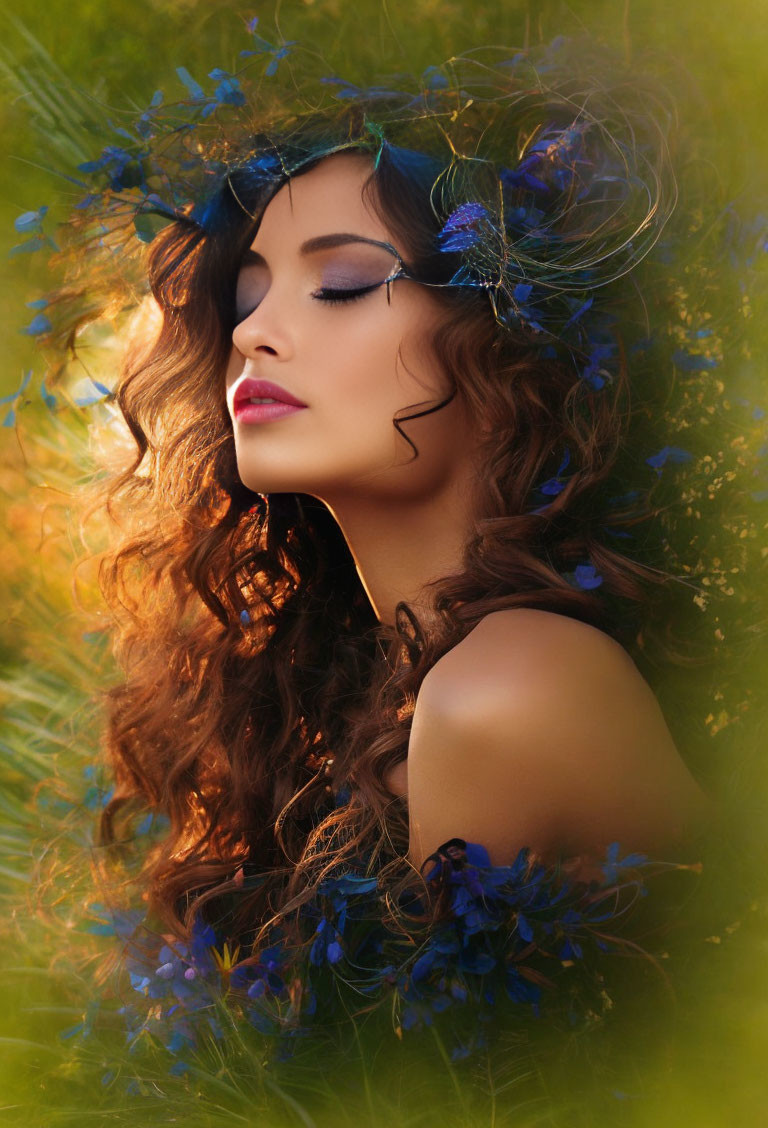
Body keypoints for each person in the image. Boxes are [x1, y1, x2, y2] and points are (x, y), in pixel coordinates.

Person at [63, 41, 720, 1043]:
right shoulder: (392, 686)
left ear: (510, 348)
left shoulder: (510, 687)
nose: (251, 333)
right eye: (246, 293)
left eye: (342, 284)